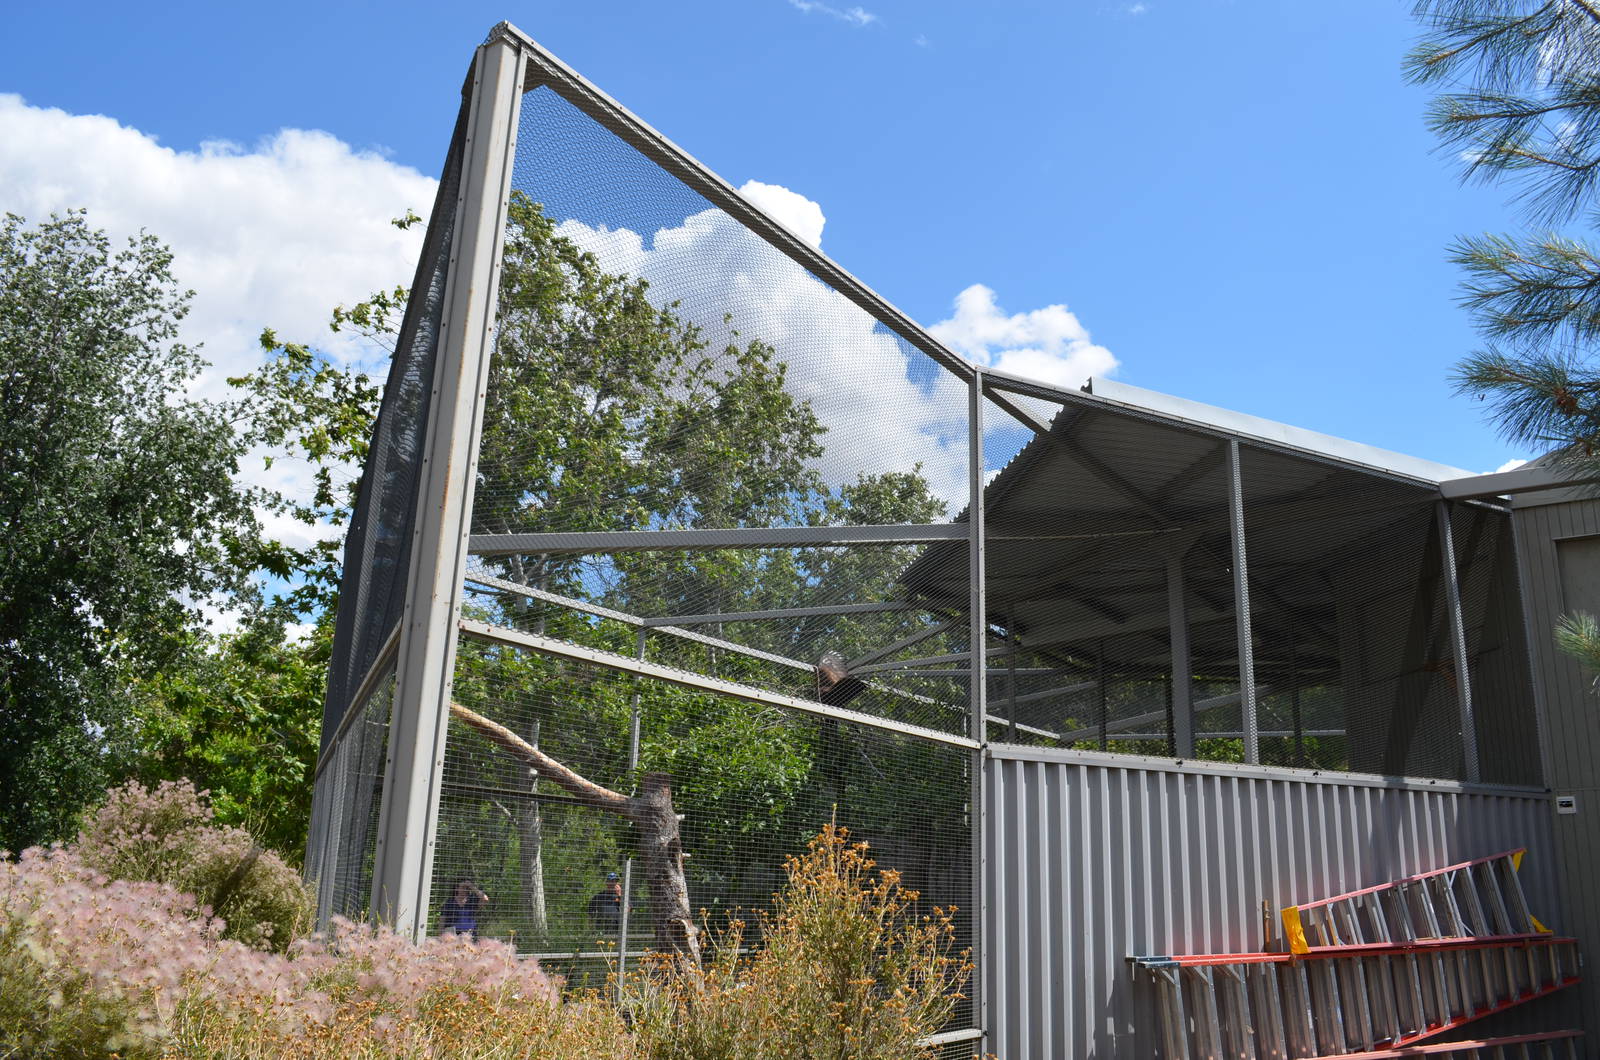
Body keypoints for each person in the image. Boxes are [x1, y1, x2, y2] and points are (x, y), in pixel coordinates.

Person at [587, 871, 623, 936]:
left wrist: (619, 895)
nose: (613, 883)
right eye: (610, 881)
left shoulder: (623, 897)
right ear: (606, 882)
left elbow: (628, 910)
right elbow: (590, 914)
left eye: (615, 881)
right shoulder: (598, 896)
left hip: (617, 930)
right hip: (601, 929)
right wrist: (591, 930)